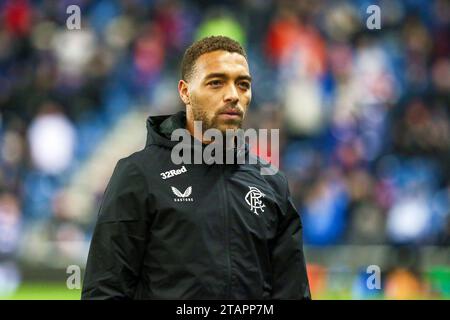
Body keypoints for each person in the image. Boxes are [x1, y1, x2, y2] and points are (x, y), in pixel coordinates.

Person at [81, 35, 311, 300]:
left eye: (243, 84)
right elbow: (105, 290)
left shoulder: (271, 183)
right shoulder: (138, 174)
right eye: (216, 83)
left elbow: (292, 292)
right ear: (185, 91)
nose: (233, 95)